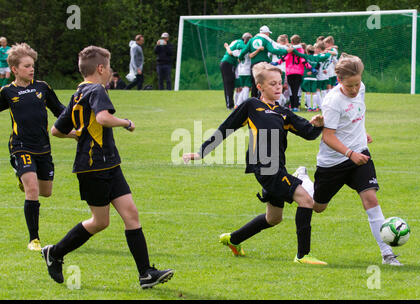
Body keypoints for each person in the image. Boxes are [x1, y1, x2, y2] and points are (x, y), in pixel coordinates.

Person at [43, 45, 174, 288]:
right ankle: (55, 253)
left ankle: (146, 273)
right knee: (100, 221)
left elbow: (56, 130)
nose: (111, 71)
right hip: (93, 167)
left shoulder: (77, 94)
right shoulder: (97, 89)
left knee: (131, 214)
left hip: (109, 164)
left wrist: (77, 135)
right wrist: (127, 122)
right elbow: (103, 118)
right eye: (110, 66)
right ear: (101, 68)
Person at [182, 62, 327, 265]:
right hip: (265, 167)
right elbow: (226, 128)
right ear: (260, 87)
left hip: (278, 167)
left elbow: (309, 133)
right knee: (306, 200)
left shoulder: (283, 112)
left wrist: (318, 125)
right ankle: (303, 256)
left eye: (280, 83)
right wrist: (201, 152)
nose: (279, 87)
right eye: (273, 83)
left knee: (273, 218)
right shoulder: (252, 105)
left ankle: (233, 239)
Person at [294, 53, 403, 266]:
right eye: (349, 86)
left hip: (360, 154)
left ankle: (387, 254)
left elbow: (356, 115)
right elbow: (328, 136)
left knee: (370, 199)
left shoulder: (360, 88)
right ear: (339, 81)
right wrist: (349, 153)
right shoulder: (333, 101)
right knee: (318, 207)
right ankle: (303, 180)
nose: (354, 90)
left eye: (357, 83)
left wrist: (362, 134)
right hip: (333, 162)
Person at [0, 43, 67, 251]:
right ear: (15, 70)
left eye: (32, 66)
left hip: (43, 148)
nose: (31, 69)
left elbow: (61, 111)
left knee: (45, 191)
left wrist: (76, 128)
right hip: (21, 146)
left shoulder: (42, 87)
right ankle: (34, 239)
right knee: (32, 189)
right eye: (27, 66)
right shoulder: (7, 92)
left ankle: (24, 177)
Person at [238, 26, 293, 98]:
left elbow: (243, 51)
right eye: (268, 33)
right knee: (264, 83)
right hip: (264, 65)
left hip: (254, 65)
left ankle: (254, 101)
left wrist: (240, 58)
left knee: (254, 84)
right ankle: (263, 101)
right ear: (266, 33)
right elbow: (273, 50)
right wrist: (286, 51)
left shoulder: (251, 40)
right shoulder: (265, 40)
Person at [281, 35, 309, 112]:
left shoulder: (289, 50)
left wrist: (278, 62)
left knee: (290, 90)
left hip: (290, 72)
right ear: (300, 41)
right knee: (296, 90)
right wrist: (310, 68)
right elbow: (303, 60)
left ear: (292, 42)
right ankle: (296, 107)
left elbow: (285, 58)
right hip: (298, 72)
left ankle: (291, 106)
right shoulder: (301, 50)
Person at [220, 38, 241, 109]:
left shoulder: (235, 43)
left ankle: (230, 104)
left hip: (226, 63)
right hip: (228, 64)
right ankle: (230, 105)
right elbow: (230, 52)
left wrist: (227, 46)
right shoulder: (240, 43)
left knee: (229, 85)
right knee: (229, 85)